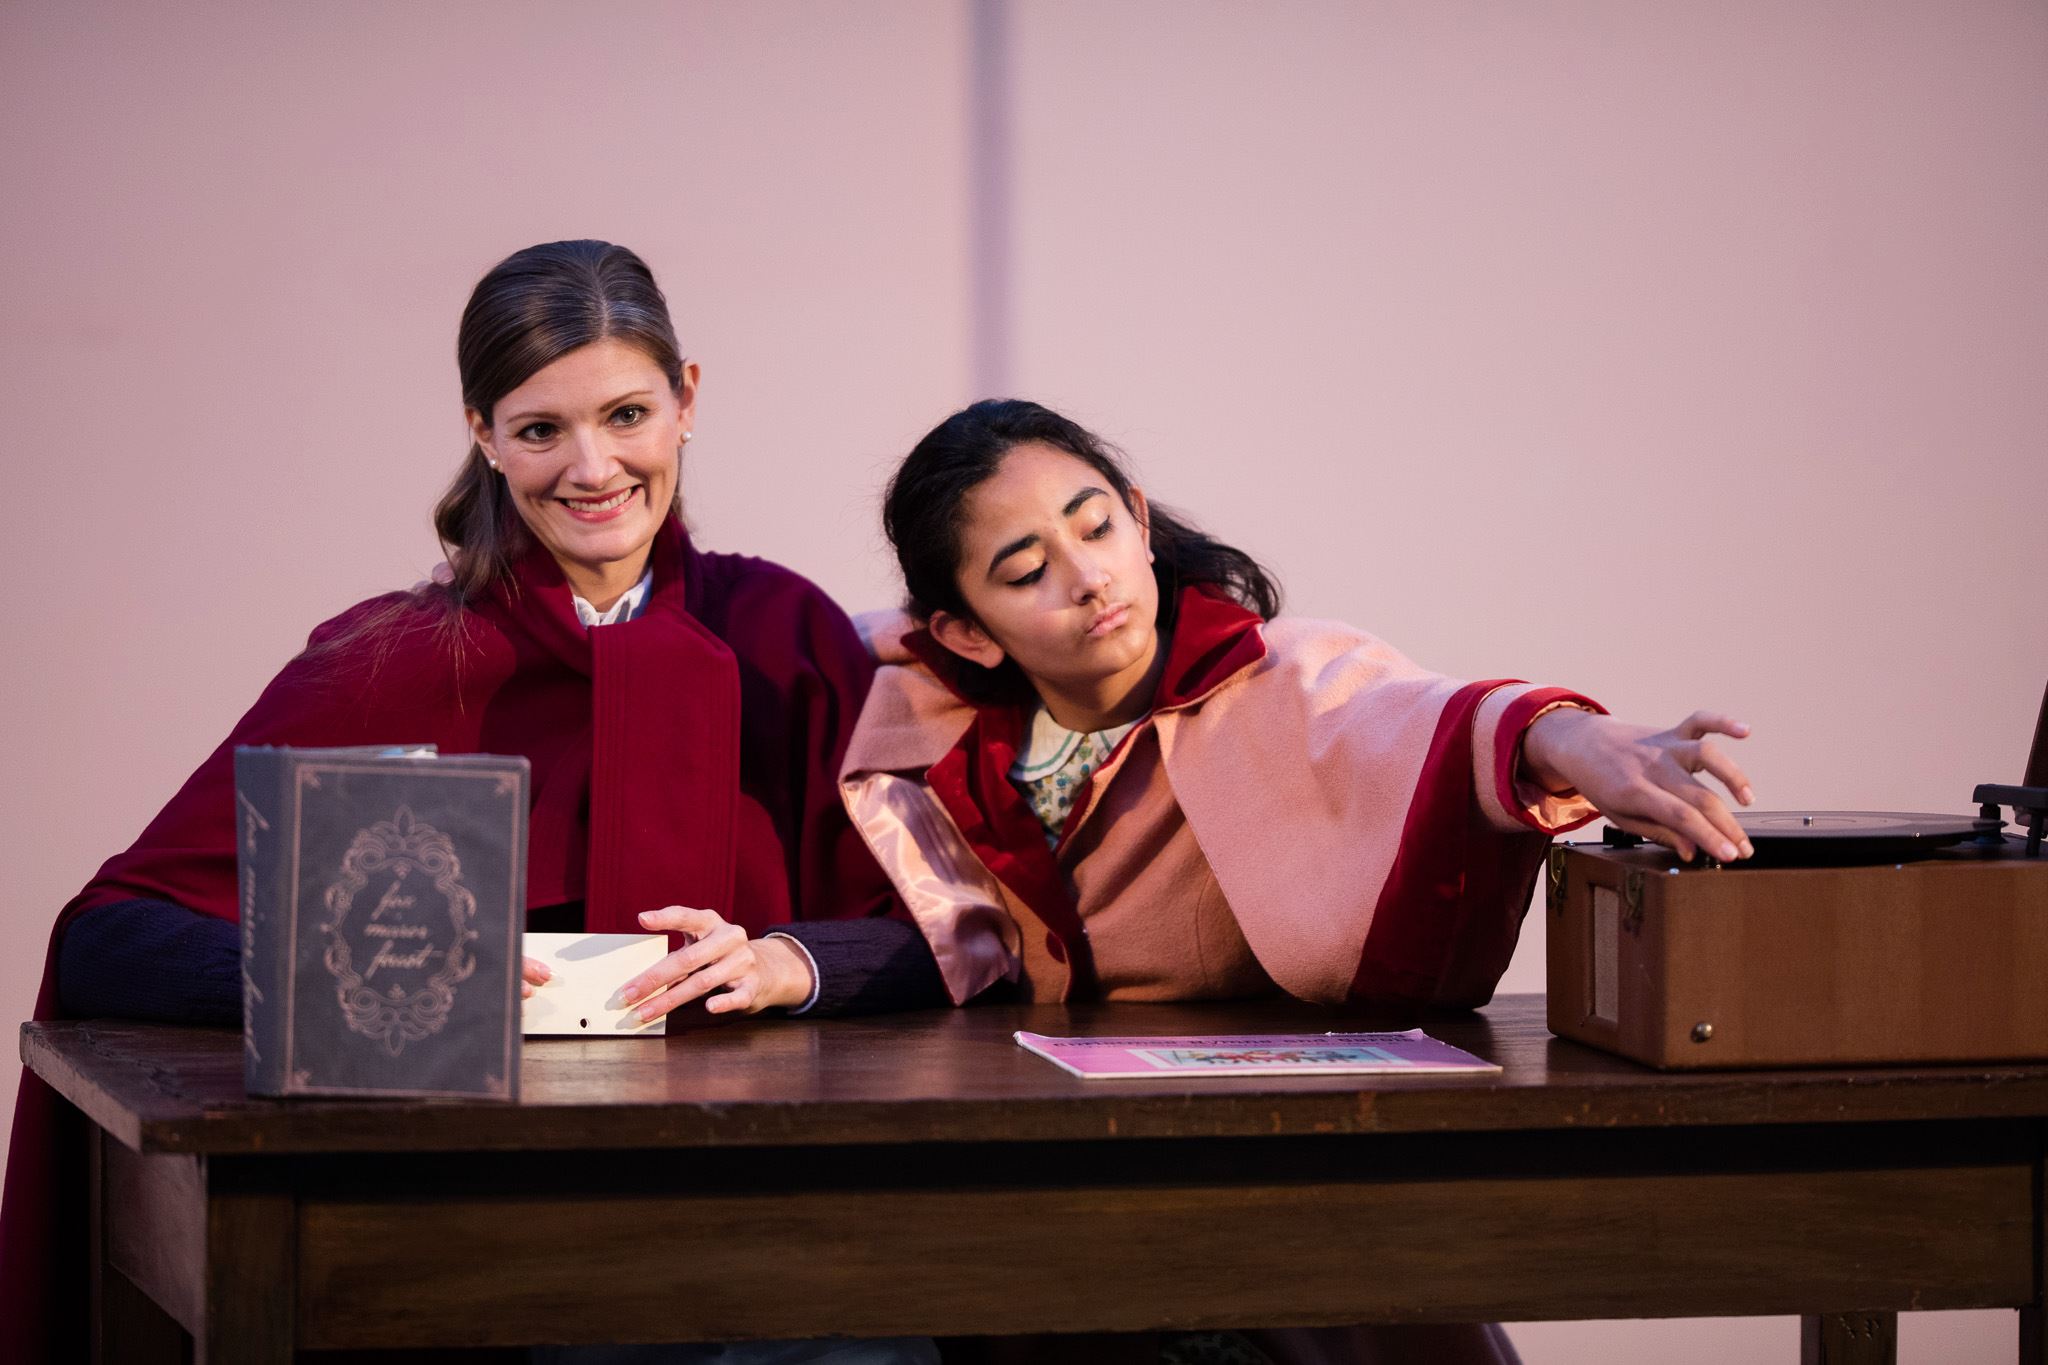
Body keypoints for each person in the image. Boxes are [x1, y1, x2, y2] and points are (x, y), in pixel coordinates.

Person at [613, 398, 1758, 1365]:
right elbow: (952, 933)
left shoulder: (1278, 675)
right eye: (1026, 570)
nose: (1088, 578)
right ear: (966, 632)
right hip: (1041, 1165)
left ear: (1139, 518)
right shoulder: (929, 722)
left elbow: (1420, 721)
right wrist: (785, 961)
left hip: (1270, 1161)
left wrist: (1569, 739)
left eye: (1096, 525)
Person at [0, 240, 928, 1364]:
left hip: (766, 1214)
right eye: (540, 430)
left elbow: (943, 936)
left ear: (686, 401)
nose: (591, 467)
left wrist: (792, 960)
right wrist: (372, 977)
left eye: (627, 415)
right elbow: (105, 940)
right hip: (470, 1231)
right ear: (483, 434)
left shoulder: (787, 637)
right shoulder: (390, 659)